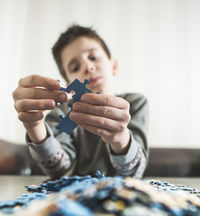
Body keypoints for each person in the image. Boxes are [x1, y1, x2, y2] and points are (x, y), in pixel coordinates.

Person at [12, 24, 148, 179]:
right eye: (75, 67)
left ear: (114, 66)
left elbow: (135, 172)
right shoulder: (62, 113)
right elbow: (59, 169)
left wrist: (120, 138)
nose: (88, 67)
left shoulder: (135, 103)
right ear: (69, 84)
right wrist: (34, 126)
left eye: (94, 57)